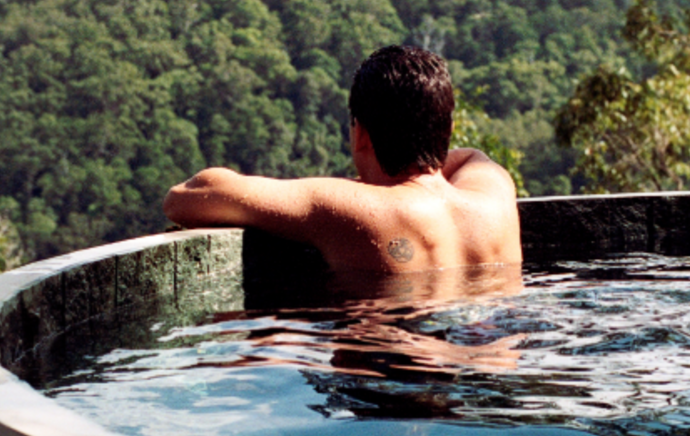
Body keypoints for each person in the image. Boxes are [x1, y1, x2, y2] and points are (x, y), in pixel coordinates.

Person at [163, 45, 522, 274]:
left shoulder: (347, 207)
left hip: (380, 380)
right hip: (488, 367)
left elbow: (188, 196)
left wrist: (347, 189)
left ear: (361, 133)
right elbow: (472, 156)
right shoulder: (494, 192)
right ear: (448, 129)